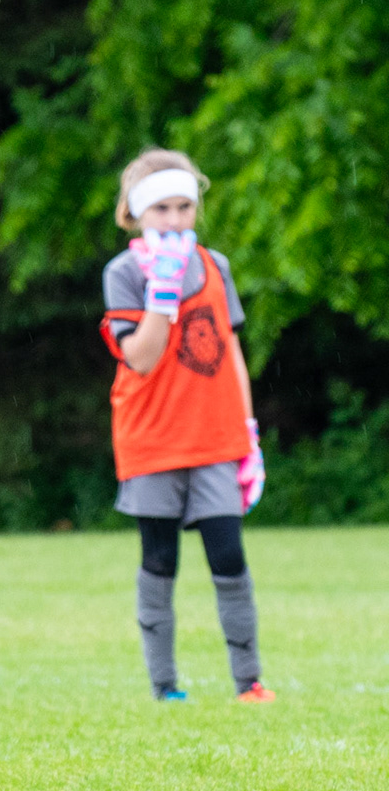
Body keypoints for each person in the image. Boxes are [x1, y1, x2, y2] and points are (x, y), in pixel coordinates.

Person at [100, 148, 272, 704]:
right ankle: (165, 686)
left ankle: (249, 682)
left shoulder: (216, 265)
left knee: (229, 558)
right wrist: (162, 293)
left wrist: (248, 431)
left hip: (216, 434)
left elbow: (232, 351)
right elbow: (141, 358)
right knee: (160, 560)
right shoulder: (124, 273)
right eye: (161, 209)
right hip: (151, 438)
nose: (174, 219)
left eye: (184, 207)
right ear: (134, 213)